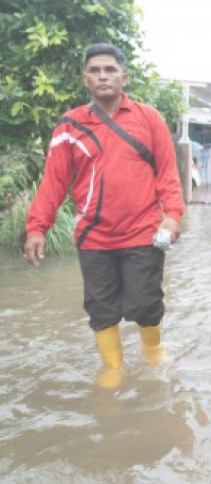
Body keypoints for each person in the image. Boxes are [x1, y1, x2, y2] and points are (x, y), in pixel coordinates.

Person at [24, 43, 184, 388]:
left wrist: (172, 216)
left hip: (144, 231)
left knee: (145, 301)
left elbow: (168, 174)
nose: (103, 76)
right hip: (94, 236)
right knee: (101, 308)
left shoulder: (149, 118)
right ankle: (113, 368)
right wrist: (37, 227)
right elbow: (53, 182)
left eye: (110, 70)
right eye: (95, 71)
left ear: (123, 77)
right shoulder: (69, 126)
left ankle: (153, 350)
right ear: (85, 79)